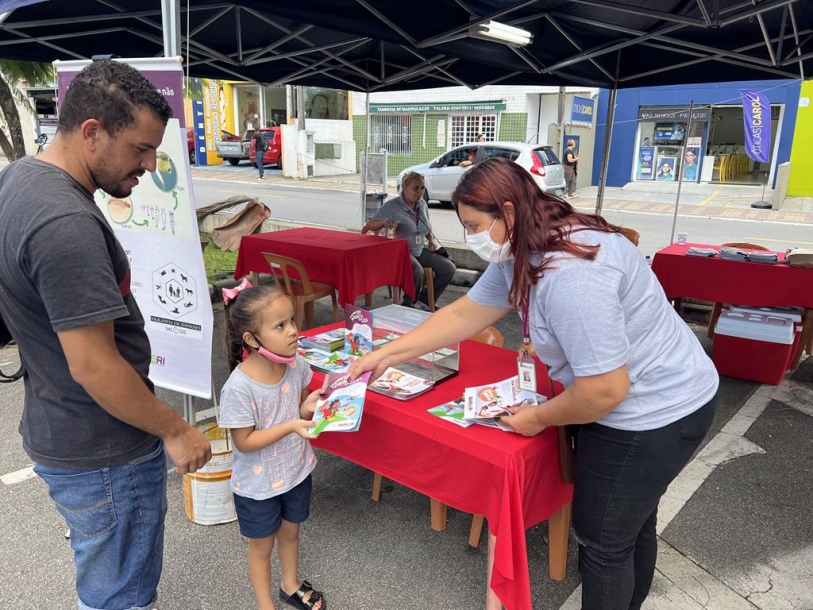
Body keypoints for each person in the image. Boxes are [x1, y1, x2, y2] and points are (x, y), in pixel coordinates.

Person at [349, 157, 718, 610]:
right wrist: (384, 353)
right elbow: (465, 314)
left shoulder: (571, 276)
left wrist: (537, 418)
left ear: (508, 212)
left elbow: (605, 391)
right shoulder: (523, 247)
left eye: (473, 225)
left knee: (603, 542)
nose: (470, 238)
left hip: (656, 411)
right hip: (641, 402)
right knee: (627, 528)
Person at [0, 59, 212, 610]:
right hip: (104, 452)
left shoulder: (21, 177)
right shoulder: (63, 223)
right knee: (120, 596)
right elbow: (94, 364)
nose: (149, 164)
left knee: (104, 584)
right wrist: (176, 430)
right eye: (140, 148)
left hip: (64, 429)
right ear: (92, 131)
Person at [219, 281, 326, 610]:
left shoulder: (296, 365)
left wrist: (309, 407)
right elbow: (245, 442)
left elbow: (295, 408)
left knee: (291, 533)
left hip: (295, 471)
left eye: (292, 320)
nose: (294, 331)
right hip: (258, 485)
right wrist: (292, 425)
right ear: (251, 339)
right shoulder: (239, 387)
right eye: (280, 326)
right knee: (261, 547)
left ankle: (290, 584)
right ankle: (266, 605)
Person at [361, 171, 456, 310]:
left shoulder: (422, 204)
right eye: (415, 188)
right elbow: (369, 225)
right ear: (405, 187)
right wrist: (383, 222)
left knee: (449, 268)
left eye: (422, 188)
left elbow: (426, 226)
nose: (420, 192)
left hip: (418, 250)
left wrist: (430, 240)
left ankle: (425, 299)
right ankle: (408, 304)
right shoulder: (392, 206)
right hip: (399, 252)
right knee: (417, 271)